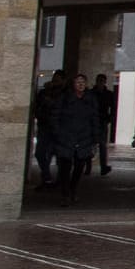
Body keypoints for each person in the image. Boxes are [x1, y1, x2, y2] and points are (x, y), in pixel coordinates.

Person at [51, 73, 102, 206]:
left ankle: (73, 189)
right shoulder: (65, 98)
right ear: (73, 84)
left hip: (84, 137)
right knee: (65, 167)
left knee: (79, 166)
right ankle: (65, 194)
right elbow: (55, 115)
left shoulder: (90, 99)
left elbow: (95, 118)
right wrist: (57, 132)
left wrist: (95, 138)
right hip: (66, 136)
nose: (80, 85)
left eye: (83, 82)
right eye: (78, 82)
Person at [33, 70, 65, 190]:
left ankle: (57, 181)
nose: (55, 82)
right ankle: (46, 178)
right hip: (45, 126)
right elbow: (38, 107)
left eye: (58, 80)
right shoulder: (45, 92)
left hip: (57, 129)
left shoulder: (65, 94)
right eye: (54, 79)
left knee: (56, 155)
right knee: (41, 153)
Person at [91, 73, 116, 175]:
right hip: (92, 120)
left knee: (102, 145)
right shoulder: (91, 93)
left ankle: (103, 166)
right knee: (90, 143)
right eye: (99, 81)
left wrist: (109, 118)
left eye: (102, 81)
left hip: (102, 121)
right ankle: (88, 164)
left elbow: (113, 108)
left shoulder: (108, 94)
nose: (100, 83)